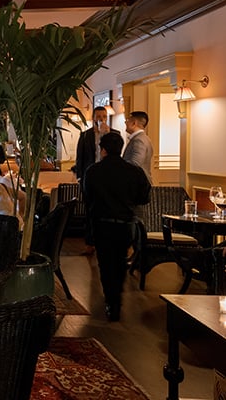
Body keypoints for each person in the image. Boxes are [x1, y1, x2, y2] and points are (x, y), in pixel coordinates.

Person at [83, 132, 150, 322]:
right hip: (125, 225)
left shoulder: (93, 171)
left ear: (102, 149)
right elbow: (144, 197)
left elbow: (88, 200)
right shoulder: (134, 171)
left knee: (105, 264)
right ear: (121, 149)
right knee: (120, 262)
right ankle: (116, 301)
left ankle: (110, 301)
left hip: (101, 224)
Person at [73, 107, 119, 254]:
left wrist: (106, 134)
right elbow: (79, 158)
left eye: (104, 116)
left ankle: (107, 242)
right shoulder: (85, 135)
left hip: (110, 178)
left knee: (108, 209)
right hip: (89, 177)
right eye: (98, 116)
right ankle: (90, 244)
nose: (101, 119)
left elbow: (118, 155)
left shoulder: (114, 134)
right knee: (90, 210)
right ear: (93, 118)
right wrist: (80, 177)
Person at [123, 110, 153, 184]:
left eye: (127, 120)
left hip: (138, 184)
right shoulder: (143, 138)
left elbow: (135, 163)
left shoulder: (139, 140)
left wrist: (119, 165)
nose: (125, 122)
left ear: (134, 123)